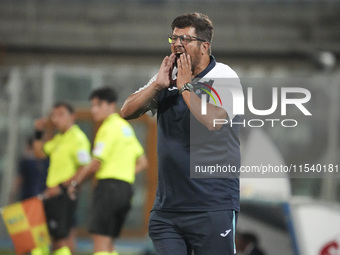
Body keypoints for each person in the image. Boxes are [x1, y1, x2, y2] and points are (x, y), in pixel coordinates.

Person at [121, 12, 243, 255]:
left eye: (185, 39)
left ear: (204, 46)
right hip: (168, 211)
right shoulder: (167, 78)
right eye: (173, 38)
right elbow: (126, 111)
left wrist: (186, 88)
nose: (177, 44)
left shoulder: (224, 77)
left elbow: (212, 121)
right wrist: (157, 84)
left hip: (211, 206)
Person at [67, 87, 148, 255]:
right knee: (109, 244)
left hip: (108, 189)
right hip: (125, 190)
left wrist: (76, 183)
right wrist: (124, 173)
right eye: (92, 105)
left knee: (100, 245)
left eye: (98, 105)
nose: (93, 109)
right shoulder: (125, 128)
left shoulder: (108, 127)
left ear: (111, 105)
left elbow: (95, 163)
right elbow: (143, 162)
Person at [33, 102, 91, 255]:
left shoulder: (78, 138)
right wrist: (39, 132)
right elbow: (39, 153)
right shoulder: (59, 138)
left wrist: (62, 187)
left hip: (63, 193)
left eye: (61, 114)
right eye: (54, 115)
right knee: (57, 235)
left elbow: (84, 168)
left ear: (72, 116)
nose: (56, 119)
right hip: (53, 193)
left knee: (61, 238)